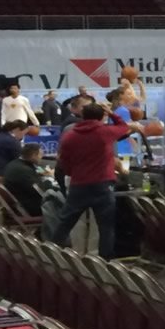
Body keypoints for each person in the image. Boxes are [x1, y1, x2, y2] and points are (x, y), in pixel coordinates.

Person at [49, 102, 142, 256]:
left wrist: (74, 173)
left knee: (65, 223)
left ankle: (50, 253)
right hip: (103, 185)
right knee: (106, 227)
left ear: (82, 116)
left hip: (79, 184)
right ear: (101, 117)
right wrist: (111, 112)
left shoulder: (69, 135)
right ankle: (105, 262)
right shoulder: (105, 132)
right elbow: (124, 126)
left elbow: (63, 161)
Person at [2, 141, 50, 218]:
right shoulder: (23, 170)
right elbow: (39, 190)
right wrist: (49, 182)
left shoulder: (15, 163)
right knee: (59, 203)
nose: (41, 158)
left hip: (22, 200)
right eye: (40, 155)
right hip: (29, 206)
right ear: (34, 155)